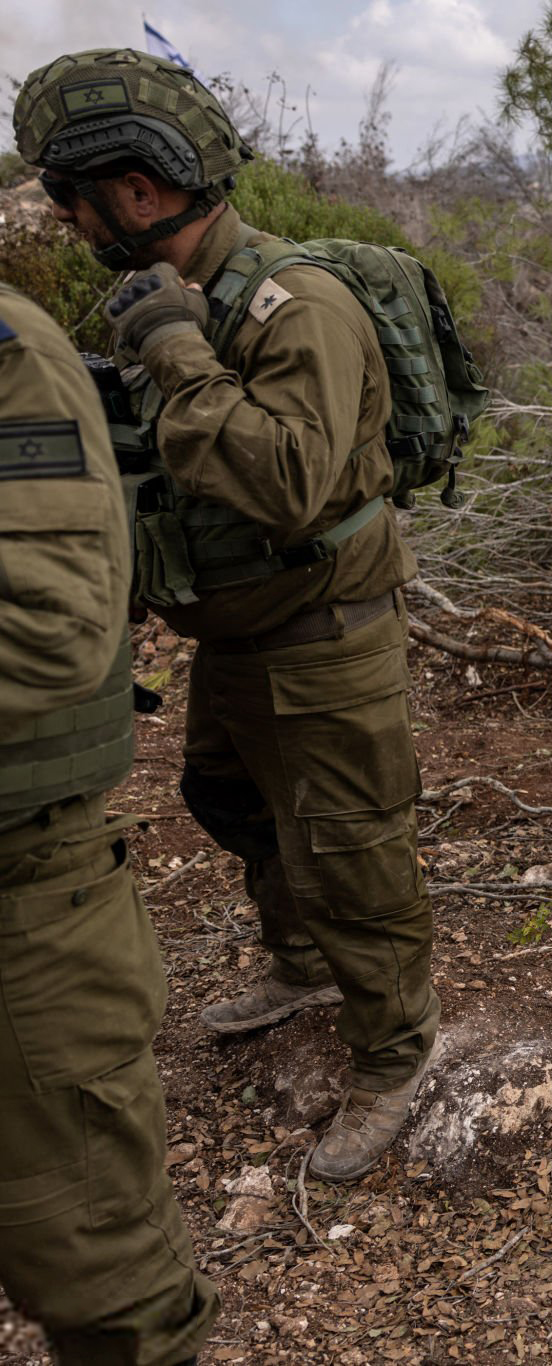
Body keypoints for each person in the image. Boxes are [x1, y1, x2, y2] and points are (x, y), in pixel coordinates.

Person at [13, 47, 440, 1182]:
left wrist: (174, 352)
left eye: (69, 194)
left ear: (139, 192)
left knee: (355, 853)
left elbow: (291, 480)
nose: (62, 217)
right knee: (231, 799)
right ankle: (298, 962)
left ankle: (393, 1055)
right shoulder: (181, 300)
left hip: (325, 635)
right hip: (241, 632)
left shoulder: (289, 304)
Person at [0, 282, 220, 1363]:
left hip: (20, 894)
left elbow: (52, 629)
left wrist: (181, 353)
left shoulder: (9, 352)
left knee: (103, 1279)